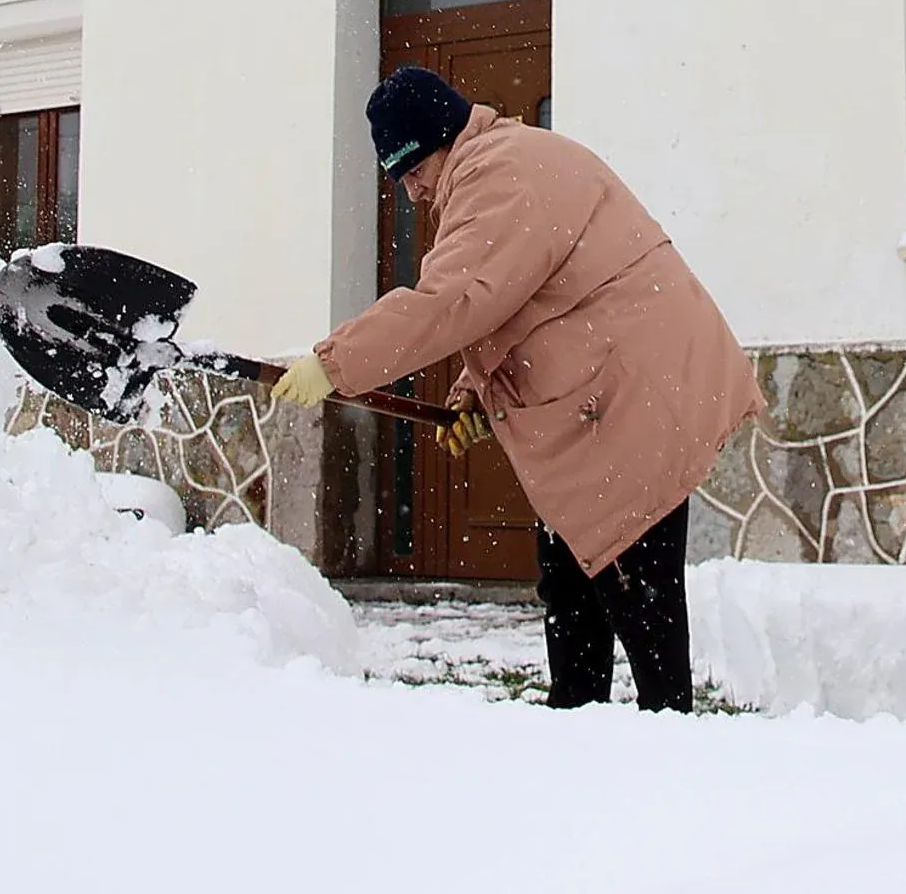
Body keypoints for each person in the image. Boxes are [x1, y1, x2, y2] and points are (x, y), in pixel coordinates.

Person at [271, 66, 761, 713]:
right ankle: (575, 723)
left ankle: (669, 742)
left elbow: (455, 300)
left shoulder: (499, 175)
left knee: (634, 591)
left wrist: (334, 363)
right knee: (574, 583)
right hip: (614, 397)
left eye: (413, 171)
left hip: (631, 400)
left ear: (443, 139)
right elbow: (519, 298)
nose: (414, 192)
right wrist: (475, 391)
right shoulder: (504, 162)